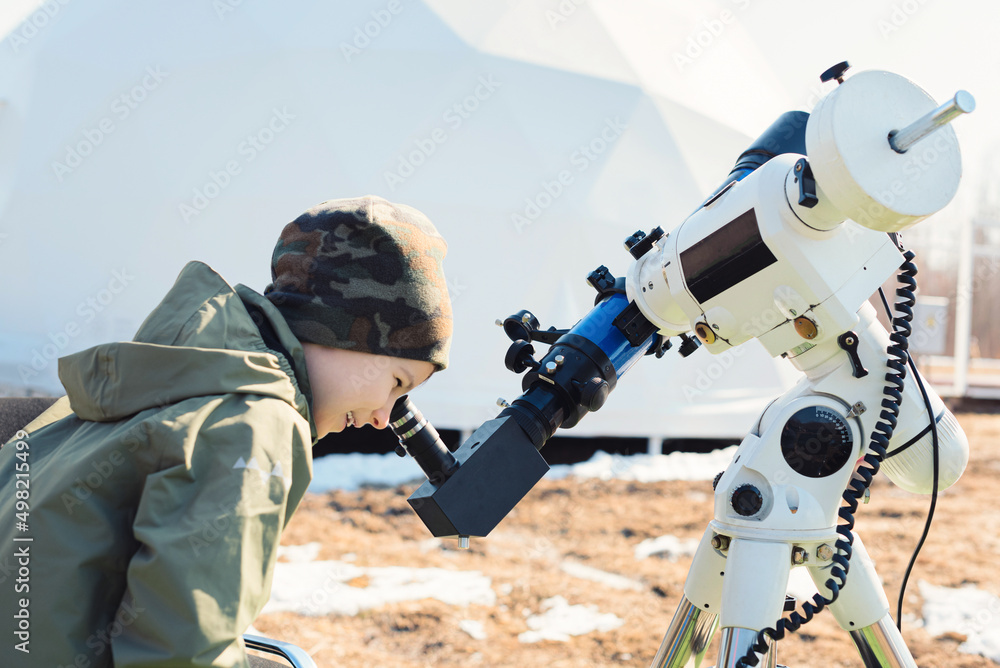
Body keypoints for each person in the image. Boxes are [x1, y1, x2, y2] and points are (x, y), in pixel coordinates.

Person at [0, 196, 453, 667]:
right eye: (396, 383)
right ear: (346, 333)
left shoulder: (180, 378)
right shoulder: (255, 423)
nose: (384, 416)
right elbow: (185, 652)